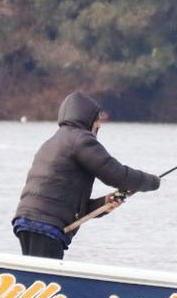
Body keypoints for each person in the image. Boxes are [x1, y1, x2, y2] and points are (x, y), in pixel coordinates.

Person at [11, 91, 160, 260]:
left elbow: (70, 206)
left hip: (26, 220)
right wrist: (152, 182)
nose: (100, 126)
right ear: (87, 119)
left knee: (35, 278)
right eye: (97, 120)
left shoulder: (52, 142)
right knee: (45, 280)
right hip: (46, 225)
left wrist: (104, 203)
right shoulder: (81, 140)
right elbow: (117, 175)